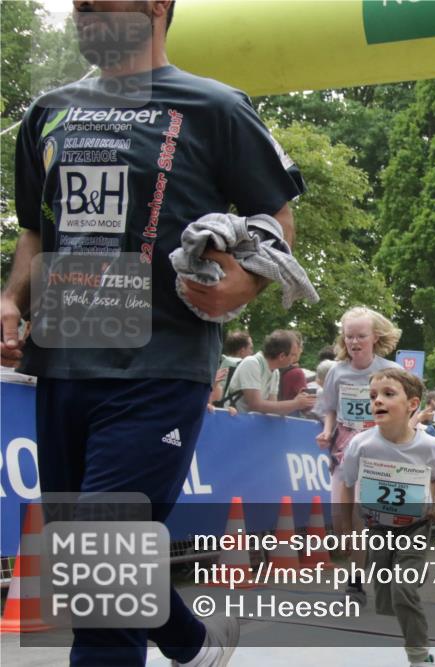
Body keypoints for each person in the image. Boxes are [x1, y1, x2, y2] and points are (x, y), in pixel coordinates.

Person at [0, 1, 305, 665]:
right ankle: (194, 644)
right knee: (90, 564)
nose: (87, 7)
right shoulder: (48, 110)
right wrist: (8, 298)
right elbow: (34, 229)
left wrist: (245, 282)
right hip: (62, 361)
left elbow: (275, 215)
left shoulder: (215, 106)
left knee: (100, 585)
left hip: (158, 363)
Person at [339, 368, 435, 667]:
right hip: (378, 530)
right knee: (387, 600)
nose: (378, 401)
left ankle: (419, 656)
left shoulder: (429, 446)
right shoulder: (361, 444)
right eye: (373, 396)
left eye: (388, 394)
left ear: (412, 404)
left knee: (404, 589)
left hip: (415, 527)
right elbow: (347, 483)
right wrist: (346, 527)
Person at [315, 306, 402, 605]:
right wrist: (327, 431)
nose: (354, 342)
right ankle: (359, 573)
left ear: (374, 337)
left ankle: (357, 583)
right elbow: (329, 408)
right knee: (342, 522)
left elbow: (406, 408)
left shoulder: (391, 372)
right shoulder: (337, 371)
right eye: (349, 336)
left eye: (360, 336)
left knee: (370, 519)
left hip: (380, 451)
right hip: (344, 450)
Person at [224, 329, 315, 416]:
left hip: (250, 425)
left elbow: (272, 408)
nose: (295, 359)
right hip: (234, 423)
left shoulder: (275, 372)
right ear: (282, 356)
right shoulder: (252, 363)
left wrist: (296, 402)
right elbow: (255, 405)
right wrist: (295, 403)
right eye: (293, 355)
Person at [209, 330, 253, 406]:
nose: (252, 352)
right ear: (242, 351)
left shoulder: (219, 364)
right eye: (251, 348)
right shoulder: (241, 366)